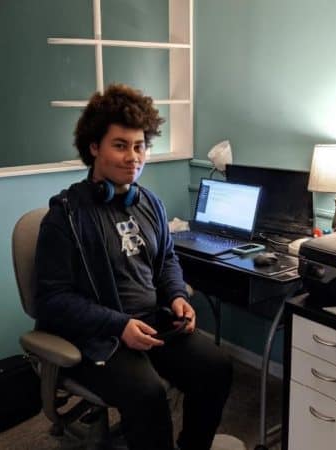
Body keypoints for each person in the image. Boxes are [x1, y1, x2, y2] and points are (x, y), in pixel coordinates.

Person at [34, 84, 233, 450]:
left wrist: (175, 295)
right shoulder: (65, 217)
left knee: (217, 368)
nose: (133, 157)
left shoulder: (150, 204)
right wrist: (119, 325)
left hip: (152, 322)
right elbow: (51, 300)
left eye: (139, 146)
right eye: (120, 145)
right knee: (148, 395)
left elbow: (167, 259)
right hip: (100, 336)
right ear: (94, 147)